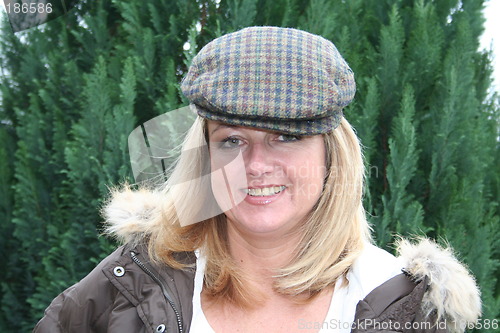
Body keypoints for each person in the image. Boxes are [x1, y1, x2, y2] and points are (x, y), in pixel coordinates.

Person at [34, 27, 481, 333]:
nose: (255, 165)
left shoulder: (404, 304)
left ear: (332, 156)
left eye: (285, 137)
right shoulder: (132, 279)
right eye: (231, 141)